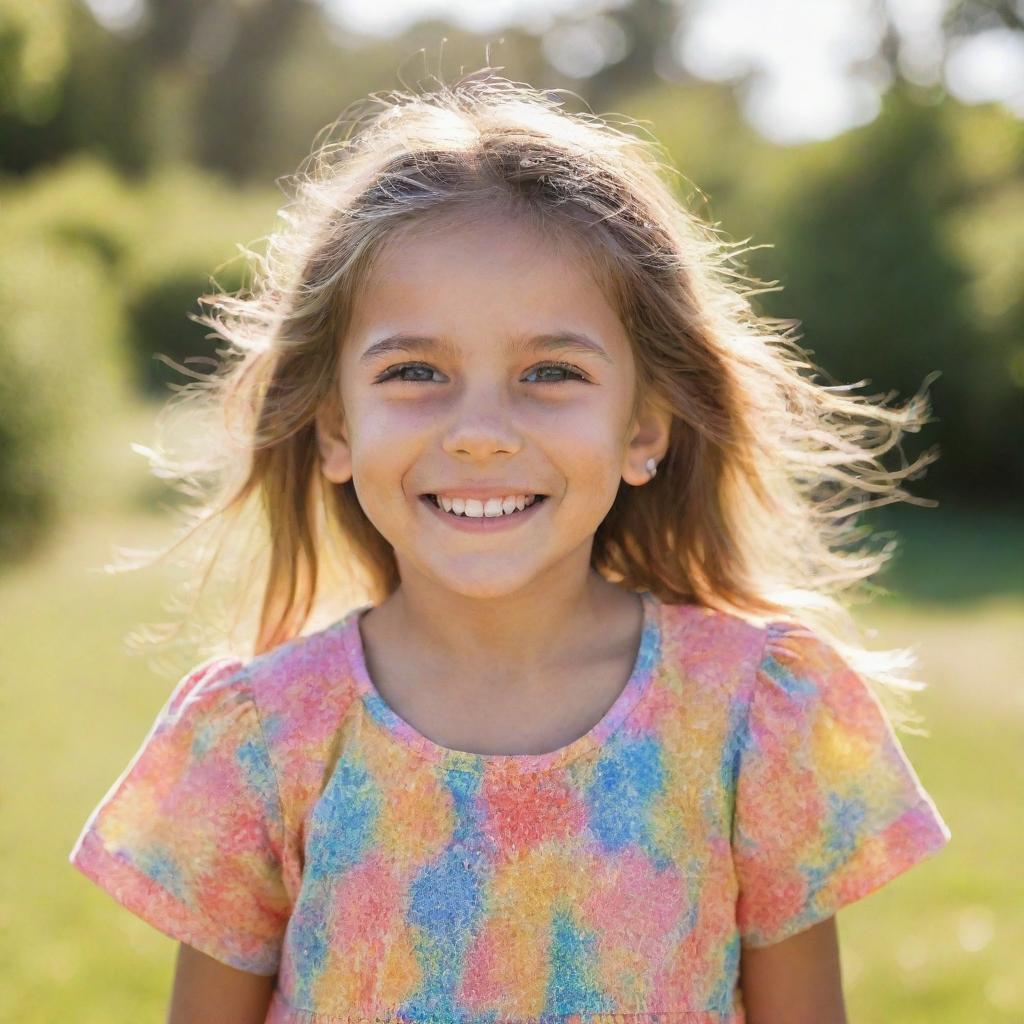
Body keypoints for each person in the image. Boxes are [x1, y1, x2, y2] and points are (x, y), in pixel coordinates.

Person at [68, 71, 951, 1024]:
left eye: (551, 372)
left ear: (645, 428)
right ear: (333, 430)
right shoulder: (261, 738)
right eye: (414, 370)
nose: (480, 431)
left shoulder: (750, 716)